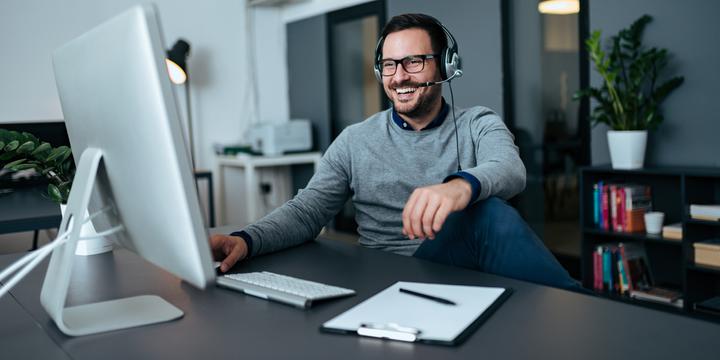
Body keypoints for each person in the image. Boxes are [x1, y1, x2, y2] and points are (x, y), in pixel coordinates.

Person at [211, 13, 578, 290]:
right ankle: (586, 308)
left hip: (461, 270)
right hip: (387, 279)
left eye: (413, 62)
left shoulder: (477, 123)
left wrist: (459, 187)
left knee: (487, 214)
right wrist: (245, 240)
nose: (399, 76)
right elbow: (307, 212)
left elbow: (510, 169)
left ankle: (581, 310)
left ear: (446, 65)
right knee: (487, 217)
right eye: (389, 65)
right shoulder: (355, 140)